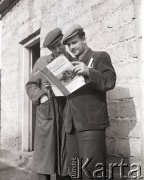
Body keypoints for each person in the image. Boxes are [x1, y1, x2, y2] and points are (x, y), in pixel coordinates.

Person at [61, 24, 116, 179]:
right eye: (69, 45)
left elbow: (110, 81)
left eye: (74, 42)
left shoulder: (100, 57)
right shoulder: (68, 65)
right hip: (71, 126)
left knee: (91, 173)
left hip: (91, 125)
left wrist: (89, 72)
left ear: (84, 39)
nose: (71, 47)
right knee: (75, 172)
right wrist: (52, 86)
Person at [26, 28, 73, 180]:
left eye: (59, 45)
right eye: (53, 47)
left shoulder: (72, 60)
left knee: (64, 159)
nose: (58, 49)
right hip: (47, 114)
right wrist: (42, 97)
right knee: (44, 159)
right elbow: (30, 85)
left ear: (63, 42)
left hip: (66, 112)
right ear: (49, 49)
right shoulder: (41, 62)